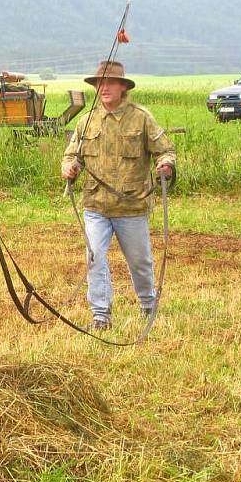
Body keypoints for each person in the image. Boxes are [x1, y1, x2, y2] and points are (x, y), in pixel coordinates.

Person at [61, 61, 176, 330]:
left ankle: (148, 305)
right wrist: (68, 167)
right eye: (99, 83)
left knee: (140, 262)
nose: (104, 88)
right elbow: (71, 155)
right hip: (95, 205)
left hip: (132, 206)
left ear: (123, 87)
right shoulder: (86, 120)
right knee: (94, 257)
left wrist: (166, 165)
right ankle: (100, 315)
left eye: (110, 82)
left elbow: (165, 150)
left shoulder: (142, 118)